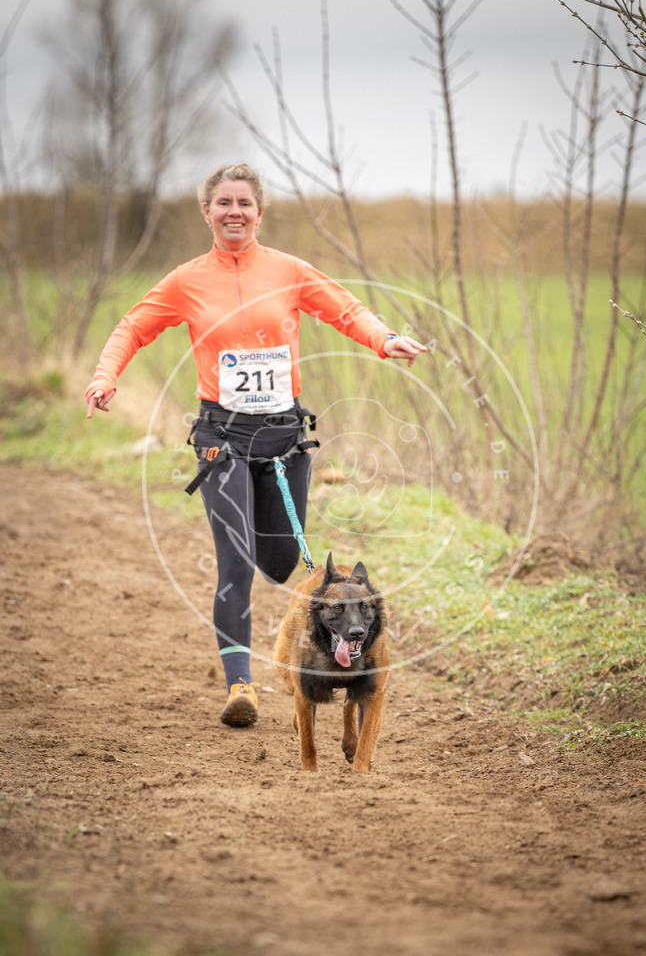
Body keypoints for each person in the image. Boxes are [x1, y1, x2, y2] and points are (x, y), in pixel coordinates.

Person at [85, 163, 427, 728]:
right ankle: (239, 684)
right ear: (207, 212)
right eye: (223, 203)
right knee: (236, 559)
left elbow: (343, 308)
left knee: (278, 562)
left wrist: (383, 338)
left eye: (244, 203)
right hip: (221, 437)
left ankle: (262, 619)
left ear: (259, 212)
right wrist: (105, 374)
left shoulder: (288, 270)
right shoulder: (186, 280)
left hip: (285, 437)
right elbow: (132, 326)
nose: (234, 212)